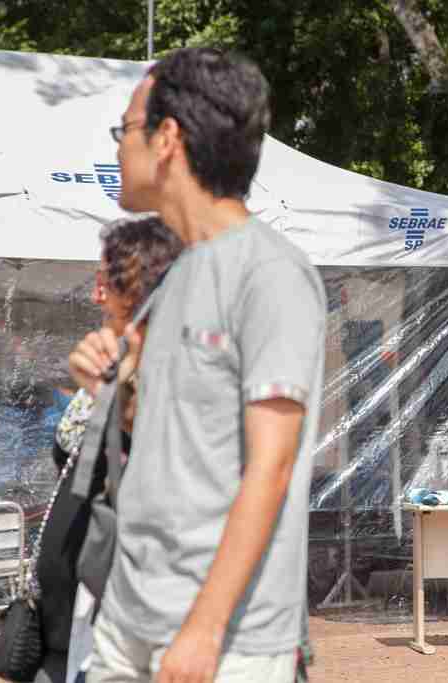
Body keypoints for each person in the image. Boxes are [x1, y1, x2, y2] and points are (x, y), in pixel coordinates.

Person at [67, 47, 326, 683]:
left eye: (125, 130)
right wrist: (113, 382)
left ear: (167, 139)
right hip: (130, 616)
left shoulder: (271, 273)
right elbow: (166, 441)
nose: (119, 147)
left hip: (221, 638)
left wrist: (205, 629)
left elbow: (273, 465)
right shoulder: (177, 274)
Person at [34, 217, 183, 683]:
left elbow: (160, 476)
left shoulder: (179, 376)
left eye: (104, 282)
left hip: (132, 632)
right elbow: (73, 462)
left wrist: (111, 400)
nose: (95, 296)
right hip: (74, 625)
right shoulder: (109, 358)